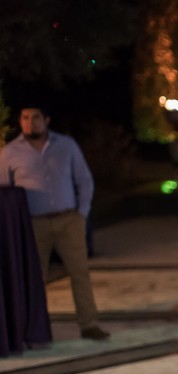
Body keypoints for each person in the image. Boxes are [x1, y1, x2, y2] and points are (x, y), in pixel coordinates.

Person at [0, 105, 108, 340]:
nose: (31, 123)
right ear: (20, 122)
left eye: (36, 117)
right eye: (26, 118)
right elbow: (4, 194)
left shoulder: (66, 145)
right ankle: (34, 329)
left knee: (79, 272)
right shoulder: (9, 152)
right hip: (33, 225)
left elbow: (85, 180)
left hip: (68, 220)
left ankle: (89, 324)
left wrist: (82, 213)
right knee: (34, 279)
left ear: (46, 120)